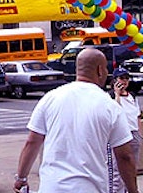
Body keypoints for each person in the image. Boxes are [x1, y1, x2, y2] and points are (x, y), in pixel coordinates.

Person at [13, 48, 139, 193]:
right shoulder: (110, 106)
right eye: (105, 68)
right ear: (99, 70)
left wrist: (21, 178)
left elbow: (32, 142)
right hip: (90, 188)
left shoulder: (50, 98)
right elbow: (125, 156)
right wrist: (133, 190)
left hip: (52, 187)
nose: (106, 73)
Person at [108, 67, 143, 193]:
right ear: (115, 80)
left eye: (127, 78)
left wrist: (140, 134)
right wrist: (117, 94)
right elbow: (114, 112)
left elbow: (137, 115)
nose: (124, 81)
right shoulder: (110, 96)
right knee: (118, 168)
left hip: (133, 134)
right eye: (121, 78)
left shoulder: (131, 96)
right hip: (120, 135)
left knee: (131, 167)